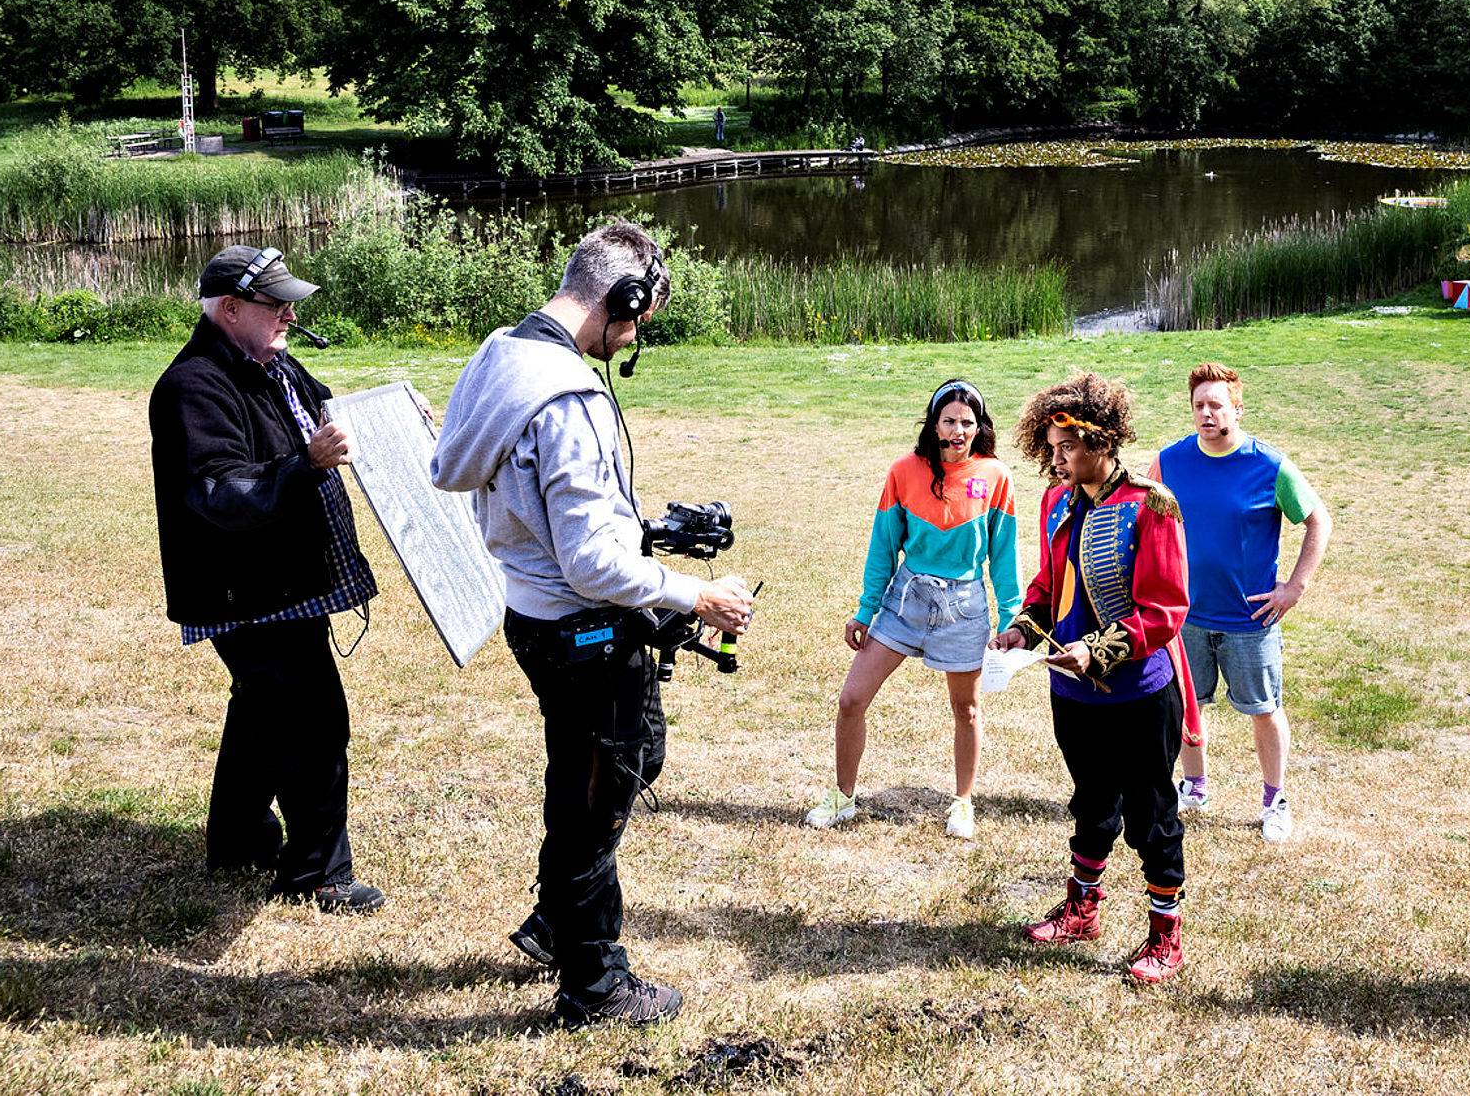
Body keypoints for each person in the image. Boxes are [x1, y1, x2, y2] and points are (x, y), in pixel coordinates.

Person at [430, 221, 756, 1031]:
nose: (635, 336)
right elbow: (590, 566)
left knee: (622, 762)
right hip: (583, 630)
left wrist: (637, 527)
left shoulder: (502, 352)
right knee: (592, 805)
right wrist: (695, 594)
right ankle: (596, 986)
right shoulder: (570, 399)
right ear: (624, 299)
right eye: (639, 320)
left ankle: (555, 924)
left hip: (534, 618)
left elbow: (546, 510)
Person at [148, 245, 383, 914]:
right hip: (247, 589)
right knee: (311, 722)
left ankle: (239, 839)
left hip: (282, 580)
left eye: (289, 301)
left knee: (263, 708)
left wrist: (393, 416)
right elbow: (218, 493)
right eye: (274, 302)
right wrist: (304, 465)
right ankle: (319, 876)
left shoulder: (271, 363)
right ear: (228, 310)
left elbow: (326, 412)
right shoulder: (194, 385)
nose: (288, 312)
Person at [990, 372, 1199, 986]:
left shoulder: (1152, 505)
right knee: (1090, 798)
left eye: (1068, 447)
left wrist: (1098, 651)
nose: (1057, 460)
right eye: (1051, 448)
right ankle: (1083, 909)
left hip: (1138, 694)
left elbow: (1164, 609)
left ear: (1102, 440)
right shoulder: (1055, 503)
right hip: (1070, 693)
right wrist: (1023, 630)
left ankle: (1166, 937)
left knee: (1151, 810)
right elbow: (1048, 586)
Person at [806, 380, 1020, 840]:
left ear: (978, 427)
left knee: (966, 709)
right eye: (949, 421)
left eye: (967, 422)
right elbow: (883, 547)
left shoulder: (996, 476)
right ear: (934, 424)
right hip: (905, 602)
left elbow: (1003, 557)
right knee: (851, 699)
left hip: (964, 606)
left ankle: (963, 802)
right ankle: (843, 797)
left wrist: (1011, 616)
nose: (958, 431)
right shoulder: (904, 471)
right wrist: (865, 611)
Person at [1155, 362, 1331, 843]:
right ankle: (1194, 787)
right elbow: (1147, 526)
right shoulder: (1169, 463)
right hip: (1184, 617)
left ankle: (1275, 799)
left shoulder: (1268, 465)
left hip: (1249, 620)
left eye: (1216, 405)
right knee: (1187, 707)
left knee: (1264, 708)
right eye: (1198, 406)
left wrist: (1295, 588)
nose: (1206, 414)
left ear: (1237, 407)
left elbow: (1319, 521)